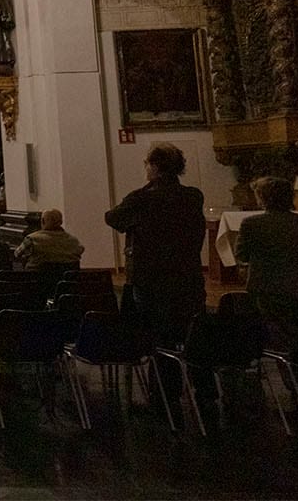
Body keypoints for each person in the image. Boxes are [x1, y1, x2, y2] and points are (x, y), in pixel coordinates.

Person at [105, 143, 206, 397]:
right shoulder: (193, 196)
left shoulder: (142, 198)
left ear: (156, 168)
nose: (145, 168)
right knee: (191, 332)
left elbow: (112, 218)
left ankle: (162, 393)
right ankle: (202, 390)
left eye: (147, 164)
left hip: (151, 278)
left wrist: (146, 187)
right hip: (187, 276)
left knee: (159, 337)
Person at [239, 177, 298, 421]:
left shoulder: (252, 224)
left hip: (272, 292)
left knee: (285, 346)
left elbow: (242, 254)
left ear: (263, 198)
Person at [15, 208, 84, 268]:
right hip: (66, 280)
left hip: (37, 280)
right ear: (61, 222)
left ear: (42, 221)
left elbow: (17, 254)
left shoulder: (32, 239)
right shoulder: (73, 240)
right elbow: (80, 250)